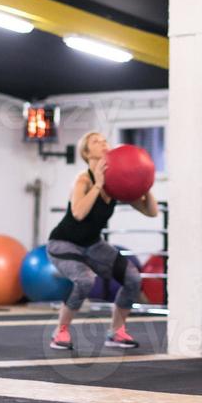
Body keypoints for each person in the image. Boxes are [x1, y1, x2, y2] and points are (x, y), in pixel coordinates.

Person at [46, 131, 159, 351]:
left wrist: (146, 184)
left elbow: (151, 212)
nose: (103, 143)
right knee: (85, 280)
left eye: (104, 139)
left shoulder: (116, 180)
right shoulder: (84, 179)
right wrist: (98, 185)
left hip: (93, 244)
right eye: (96, 142)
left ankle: (116, 332)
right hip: (63, 243)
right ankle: (60, 332)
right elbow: (78, 213)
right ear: (86, 153)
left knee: (133, 278)